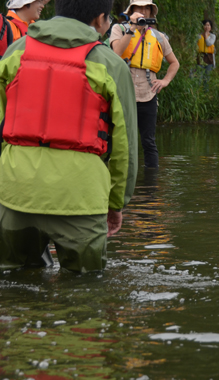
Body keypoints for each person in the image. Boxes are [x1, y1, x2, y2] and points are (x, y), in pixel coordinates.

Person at [0, 0, 138, 272]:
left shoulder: (16, 52)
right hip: (81, 197)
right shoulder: (111, 65)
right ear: (100, 20)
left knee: (14, 289)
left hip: (14, 192)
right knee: (85, 294)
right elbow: (125, 148)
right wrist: (116, 203)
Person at [110, 0, 180, 169]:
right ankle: (120, 180)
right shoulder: (119, 29)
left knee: (148, 141)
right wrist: (132, 27)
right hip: (124, 93)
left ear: (150, 11)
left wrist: (165, 81)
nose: (142, 11)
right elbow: (117, 52)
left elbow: (174, 63)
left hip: (148, 93)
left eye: (146, 8)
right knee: (121, 140)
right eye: (139, 7)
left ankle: (150, 190)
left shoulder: (158, 36)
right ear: (132, 10)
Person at [196, 19, 216, 89]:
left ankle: (206, 92)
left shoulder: (213, 36)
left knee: (207, 77)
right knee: (199, 76)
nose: (207, 27)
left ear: (211, 27)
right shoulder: (198, 36)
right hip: (201, 57)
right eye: (205, 25)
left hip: (209, 58)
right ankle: (197, 92)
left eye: (208, 25)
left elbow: (208, 43)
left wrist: (206, 35)